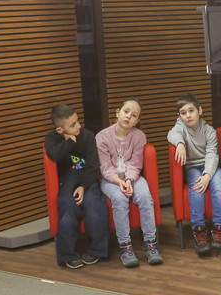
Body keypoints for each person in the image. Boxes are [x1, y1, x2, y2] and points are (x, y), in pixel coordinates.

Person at [96, 98, 161, 268]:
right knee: (119, 199)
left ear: (137, 121)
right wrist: (120, 182)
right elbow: (105, 167)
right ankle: (125, 247)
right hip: (110, 180)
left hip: (133, 178)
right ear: (117, 112)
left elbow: (135, 164)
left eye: (133, 115)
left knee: (145, 197)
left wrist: (130, 180)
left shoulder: (139, 136)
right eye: (126, 112)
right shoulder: (102, 137)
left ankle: (151, 244)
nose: (128, 117)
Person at [44, 104, 109, 269]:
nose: (79, 126)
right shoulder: (52, 138)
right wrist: (70, 142)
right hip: (68, 179)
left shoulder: (87, 135)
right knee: (67, 204)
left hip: (88, 177)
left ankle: (97, 249)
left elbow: (93, 166)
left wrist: (83, 186)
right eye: (73, 125)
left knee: (94, 203)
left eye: (78, 121)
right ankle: (67, 254)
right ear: (60, 130)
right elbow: (54, 155)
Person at [168, 93, 221, 256]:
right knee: (197, 187)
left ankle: (219, 228)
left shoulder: (209, 131)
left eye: (191, 111)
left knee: (219, 185)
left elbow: (212, 155)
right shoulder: (180, 128)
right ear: (179, 116)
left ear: (200, 110)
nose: (188, 115)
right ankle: (199, 230)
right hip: (192, 167)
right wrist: (180, 143)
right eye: (183, 113)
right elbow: (171, 133)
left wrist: (208, 175)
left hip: (210, 166)